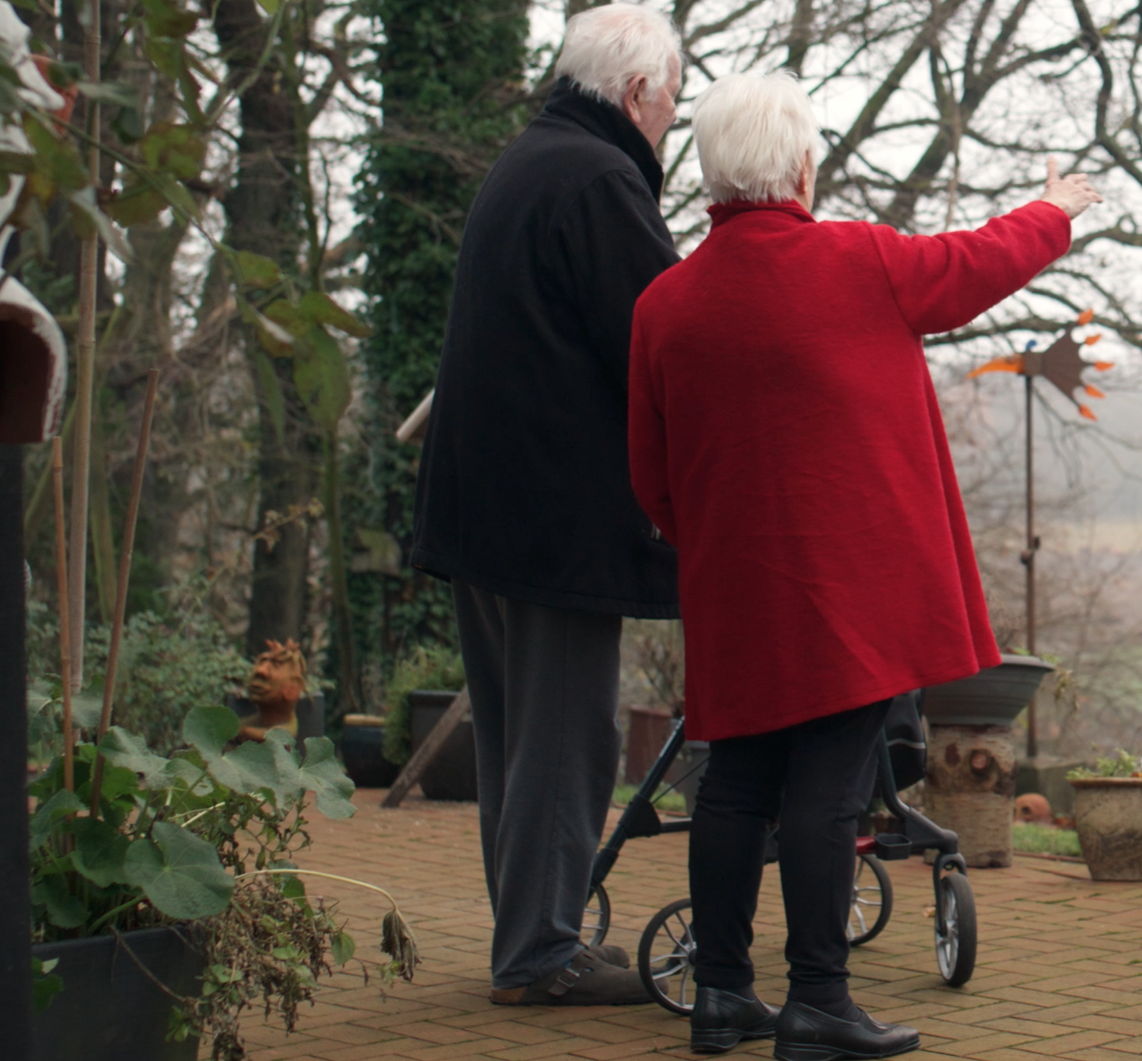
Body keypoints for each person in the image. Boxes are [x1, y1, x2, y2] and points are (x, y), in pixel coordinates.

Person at [628, 73, 1103, 1059]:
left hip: (732, 586)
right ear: (801, 166)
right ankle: (818, 1000)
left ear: (710, 173)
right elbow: (978, 263)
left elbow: (650, 475)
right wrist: (1054, 209)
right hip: (848, 587)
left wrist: (713, 541)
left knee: (732, 782)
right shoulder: (861, 260)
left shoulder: (663, 305)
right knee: (827, 789)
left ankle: (720, 995)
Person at [407, 3, 683, 1007]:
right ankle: (536, 953)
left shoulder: (532, 159)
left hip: (485, 509)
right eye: (670, 106)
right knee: (568, 736)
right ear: (639, 92)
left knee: (520, 735)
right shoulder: (598, 178)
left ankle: (536, 933)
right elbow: (663, 337)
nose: (666, 128)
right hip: (550, 522)